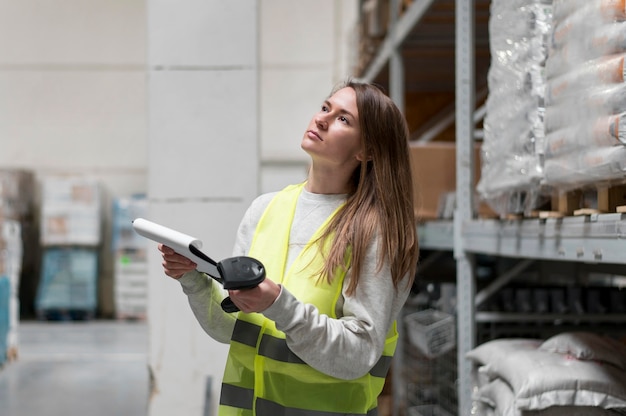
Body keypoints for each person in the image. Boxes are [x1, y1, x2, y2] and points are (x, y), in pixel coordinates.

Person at [158, 79, 419, 415]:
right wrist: (193, 279)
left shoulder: (375, 231)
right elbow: (233, 329)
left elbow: (358, 354)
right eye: (325, 107)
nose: (322, 119)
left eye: (344, 119)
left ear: (366, 150)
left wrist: (278, 305)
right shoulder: (265, 210)